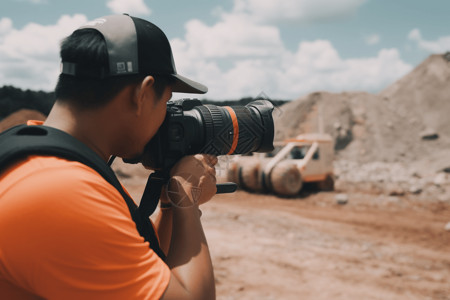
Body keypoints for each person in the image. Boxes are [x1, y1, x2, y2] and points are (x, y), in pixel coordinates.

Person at [0, 14, 217, 299]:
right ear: (142, 93)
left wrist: (169, 206)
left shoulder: (43, 160)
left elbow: (149, 265)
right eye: (165, 103)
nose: (166, 116)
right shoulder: (63, 191)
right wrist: (188, 203)